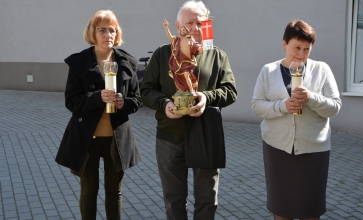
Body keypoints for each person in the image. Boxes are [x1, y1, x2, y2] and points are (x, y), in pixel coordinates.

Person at [140, 1, 237, 219]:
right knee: (174, 201)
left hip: (205, 134)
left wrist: (207, 97)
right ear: (177, 26)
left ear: (206, 24)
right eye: (189, 22)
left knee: (207, 201)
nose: (194, 27)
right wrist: (164, 104)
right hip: (169, 136)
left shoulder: (217, 56)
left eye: (199, 22)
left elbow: (230, 91)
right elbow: (145, 90)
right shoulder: (163, 54)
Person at [55, 10, 141, 220]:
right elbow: (71, 102)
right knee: (88, 193)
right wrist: (97, 97)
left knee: (114, 192)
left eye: (112, 30)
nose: (107, 34)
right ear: (93, 33)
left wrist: (123, 102)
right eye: (102, 29)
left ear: (117, 33)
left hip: (116, 139)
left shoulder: (127, 62)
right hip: (87, 138)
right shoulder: (79, 62)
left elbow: (137, 100)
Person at [251, 20, 342, 220]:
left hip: (313, 151)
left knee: (311, 211)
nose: (301, 54)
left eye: (307, 49)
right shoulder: (268, 71)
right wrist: (283, 106)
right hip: (278, 149)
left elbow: (335, 106)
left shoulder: (322, 70)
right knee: (281, 210)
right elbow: (257, 105)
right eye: (296, 48)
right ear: (284, 44)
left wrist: (311, 98)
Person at [163, 19, 203, 92]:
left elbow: (195, 45)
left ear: (186, 31)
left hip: (187, 61)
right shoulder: (178, 40)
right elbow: (170, 37)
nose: (182, 31)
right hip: (179, 62)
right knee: (180, 77)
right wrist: (166, 27)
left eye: (183, 30)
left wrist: (200, 48)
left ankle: (191, 91)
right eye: (181, 31)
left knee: (187, 75)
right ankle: (182, 90)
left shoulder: (189, 39)